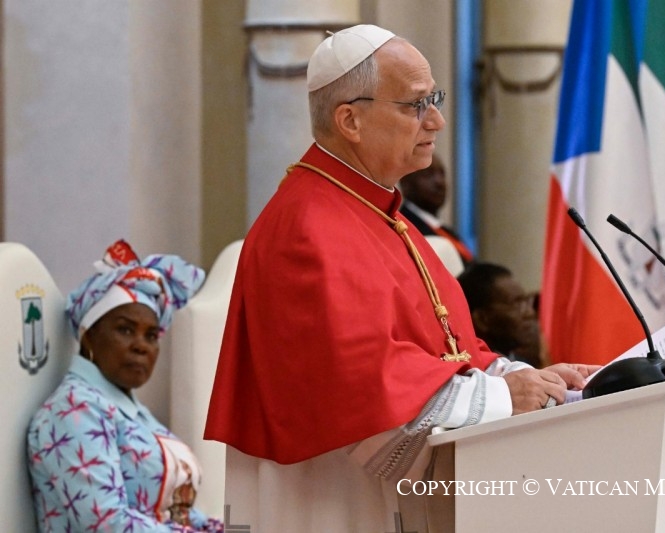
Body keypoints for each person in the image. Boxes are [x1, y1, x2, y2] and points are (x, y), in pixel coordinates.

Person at [204, 24, 597, 531]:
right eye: (415, 105)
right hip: (330, 502)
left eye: (434, 98)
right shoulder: (307, 228)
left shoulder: (383, 214)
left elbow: (448, 350)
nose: (436, 120)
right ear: (350, 120)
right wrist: (503, 398)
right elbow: (359, 388)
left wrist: (523, 378)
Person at [27, 239, 221, 532]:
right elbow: (107, 524)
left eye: (151, 335)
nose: (141, 346)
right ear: (89, 335)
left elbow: (173, 510)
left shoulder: (132, 412)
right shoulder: (73, 411)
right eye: (125, 329)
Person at [457, 261, 545, 367]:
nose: (530, 313)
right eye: (516, 303)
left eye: (525, 301)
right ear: (482, 319)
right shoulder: (470, 374)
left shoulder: (525, 362)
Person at [399, 153, 474, 266]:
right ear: (406, 183)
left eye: (442, 174)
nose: (439, 182)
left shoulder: (445, 230)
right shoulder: (403, 228)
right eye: (428, 174)